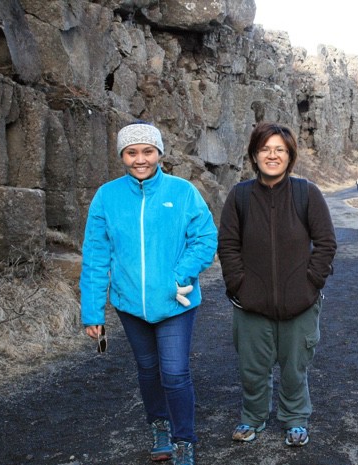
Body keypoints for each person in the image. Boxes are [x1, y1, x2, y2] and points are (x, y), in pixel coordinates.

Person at [80, 121, 218, 465]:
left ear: (159, 153)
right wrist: (93, 312)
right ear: (122, 156)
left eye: (147, 151)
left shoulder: (182, 192)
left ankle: (184, 441)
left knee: (174, 373)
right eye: (131, 152)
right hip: (130, 306)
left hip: (176, 302)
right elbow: (96, 256)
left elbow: (205, 239)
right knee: (147, 370)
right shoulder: (106, 197)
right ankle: (160, 429)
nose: (140, 159)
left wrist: (180, 274)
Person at [217, 122, 337, 447]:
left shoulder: (306, 193)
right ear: (255, 156)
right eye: (265, 149)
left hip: (300, 304)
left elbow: (326, 243)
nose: (272, 155)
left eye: (279, 150)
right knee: (252, 368)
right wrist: (238, 285)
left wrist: (310, 284)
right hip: (251, 304)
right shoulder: (240, 196)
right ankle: (252, 418)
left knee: (295, 368)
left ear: (290, 156)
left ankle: (295, 419)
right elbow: (227, 244)